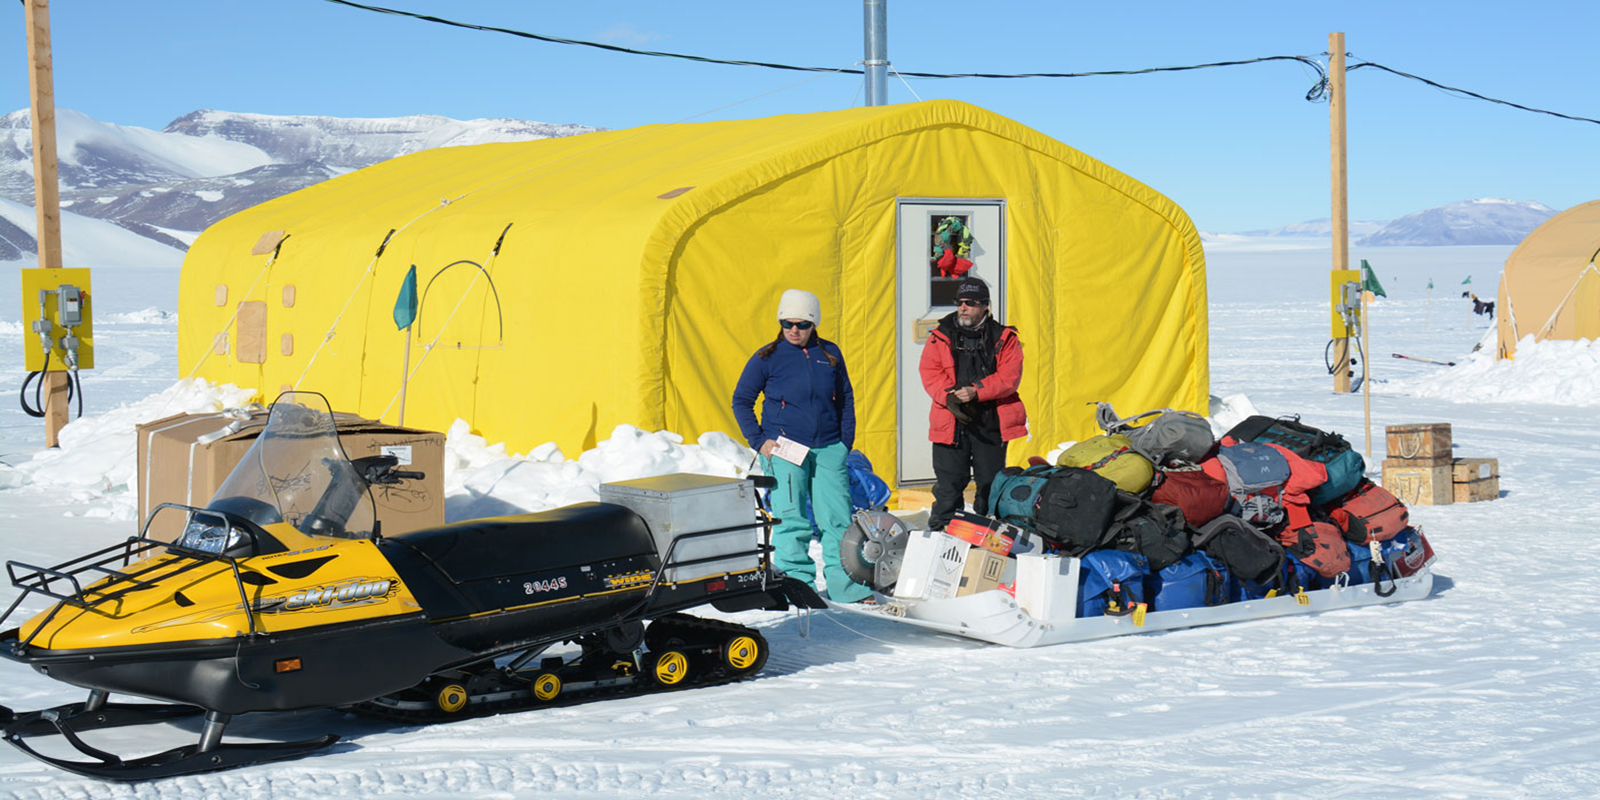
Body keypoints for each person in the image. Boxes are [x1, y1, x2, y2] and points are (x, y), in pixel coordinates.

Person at [731, 289, 872, 603]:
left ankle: (845, 588)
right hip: (784, 449)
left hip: (828, 448)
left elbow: (846, 398)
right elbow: (741, 401)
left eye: (802, 324)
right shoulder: (766, 358)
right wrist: (759, 441)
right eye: (787, 323)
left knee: (836, 519)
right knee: (791, 518)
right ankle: (798, 586)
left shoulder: (830, 354)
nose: (794, 330)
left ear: (814, 324)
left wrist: (843, 442)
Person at [918, 276, 1027, 531]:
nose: (963, 307)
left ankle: (985, 536)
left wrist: (976, 391)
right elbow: (929, 371)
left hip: (990, 419)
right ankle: (942, 534)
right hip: (950, 419)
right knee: (949, 485)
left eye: (970, 302)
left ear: (985, 306)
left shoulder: (1004, 337)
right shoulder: (940, 334)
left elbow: (1010, 378)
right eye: (960, 302)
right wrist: (950, 396)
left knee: (989, 483)